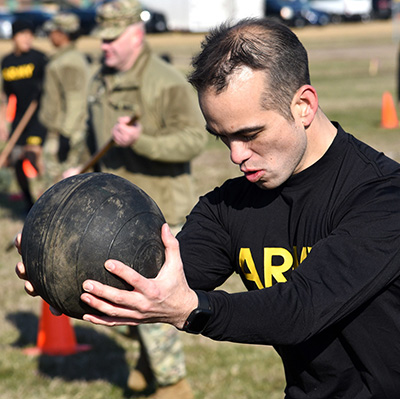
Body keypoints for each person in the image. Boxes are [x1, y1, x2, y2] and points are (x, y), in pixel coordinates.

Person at [17, 17, 400, 398]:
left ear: (303, 105)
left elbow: (301, 308)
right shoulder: (230, 206)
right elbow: (151, 280)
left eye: (249, 134)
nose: (236, 155)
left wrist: (191, 310)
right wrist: (60, 265)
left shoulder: (383, 197)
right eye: (222, 137)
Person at [62, 1, 207, 398]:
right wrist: (75, 168)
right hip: (110, 216)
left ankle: (174, 385)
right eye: (102, 38)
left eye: (112, 39)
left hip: (156, 214)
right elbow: (86, 139)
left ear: (136, 35)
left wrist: (141, 142)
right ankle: (147, 366)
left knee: (148, 301)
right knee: (123, 304)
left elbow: (194, 139)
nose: (104, 46)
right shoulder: (99, 80)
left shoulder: (166, 82)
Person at [0, 19, 48, 212]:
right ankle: (29, 202)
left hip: (39, 118)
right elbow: (6, 95)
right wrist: (3, 122)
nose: (28, 39)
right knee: (17, 160)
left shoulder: (40, 58)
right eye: (23, 34)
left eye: (30, 34)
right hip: (20, 119)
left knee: (34, 155)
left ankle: (46, 200)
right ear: (14, 37)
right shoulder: (7, 62)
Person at [39, 12, 90, 188]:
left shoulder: (69, 62)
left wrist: (66, 136)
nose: (49, 36)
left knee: (61, 186)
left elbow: (75, 100)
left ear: (62, 33)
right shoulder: (63, 58)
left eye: (51, 31)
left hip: (65, 132)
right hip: (58, 130)